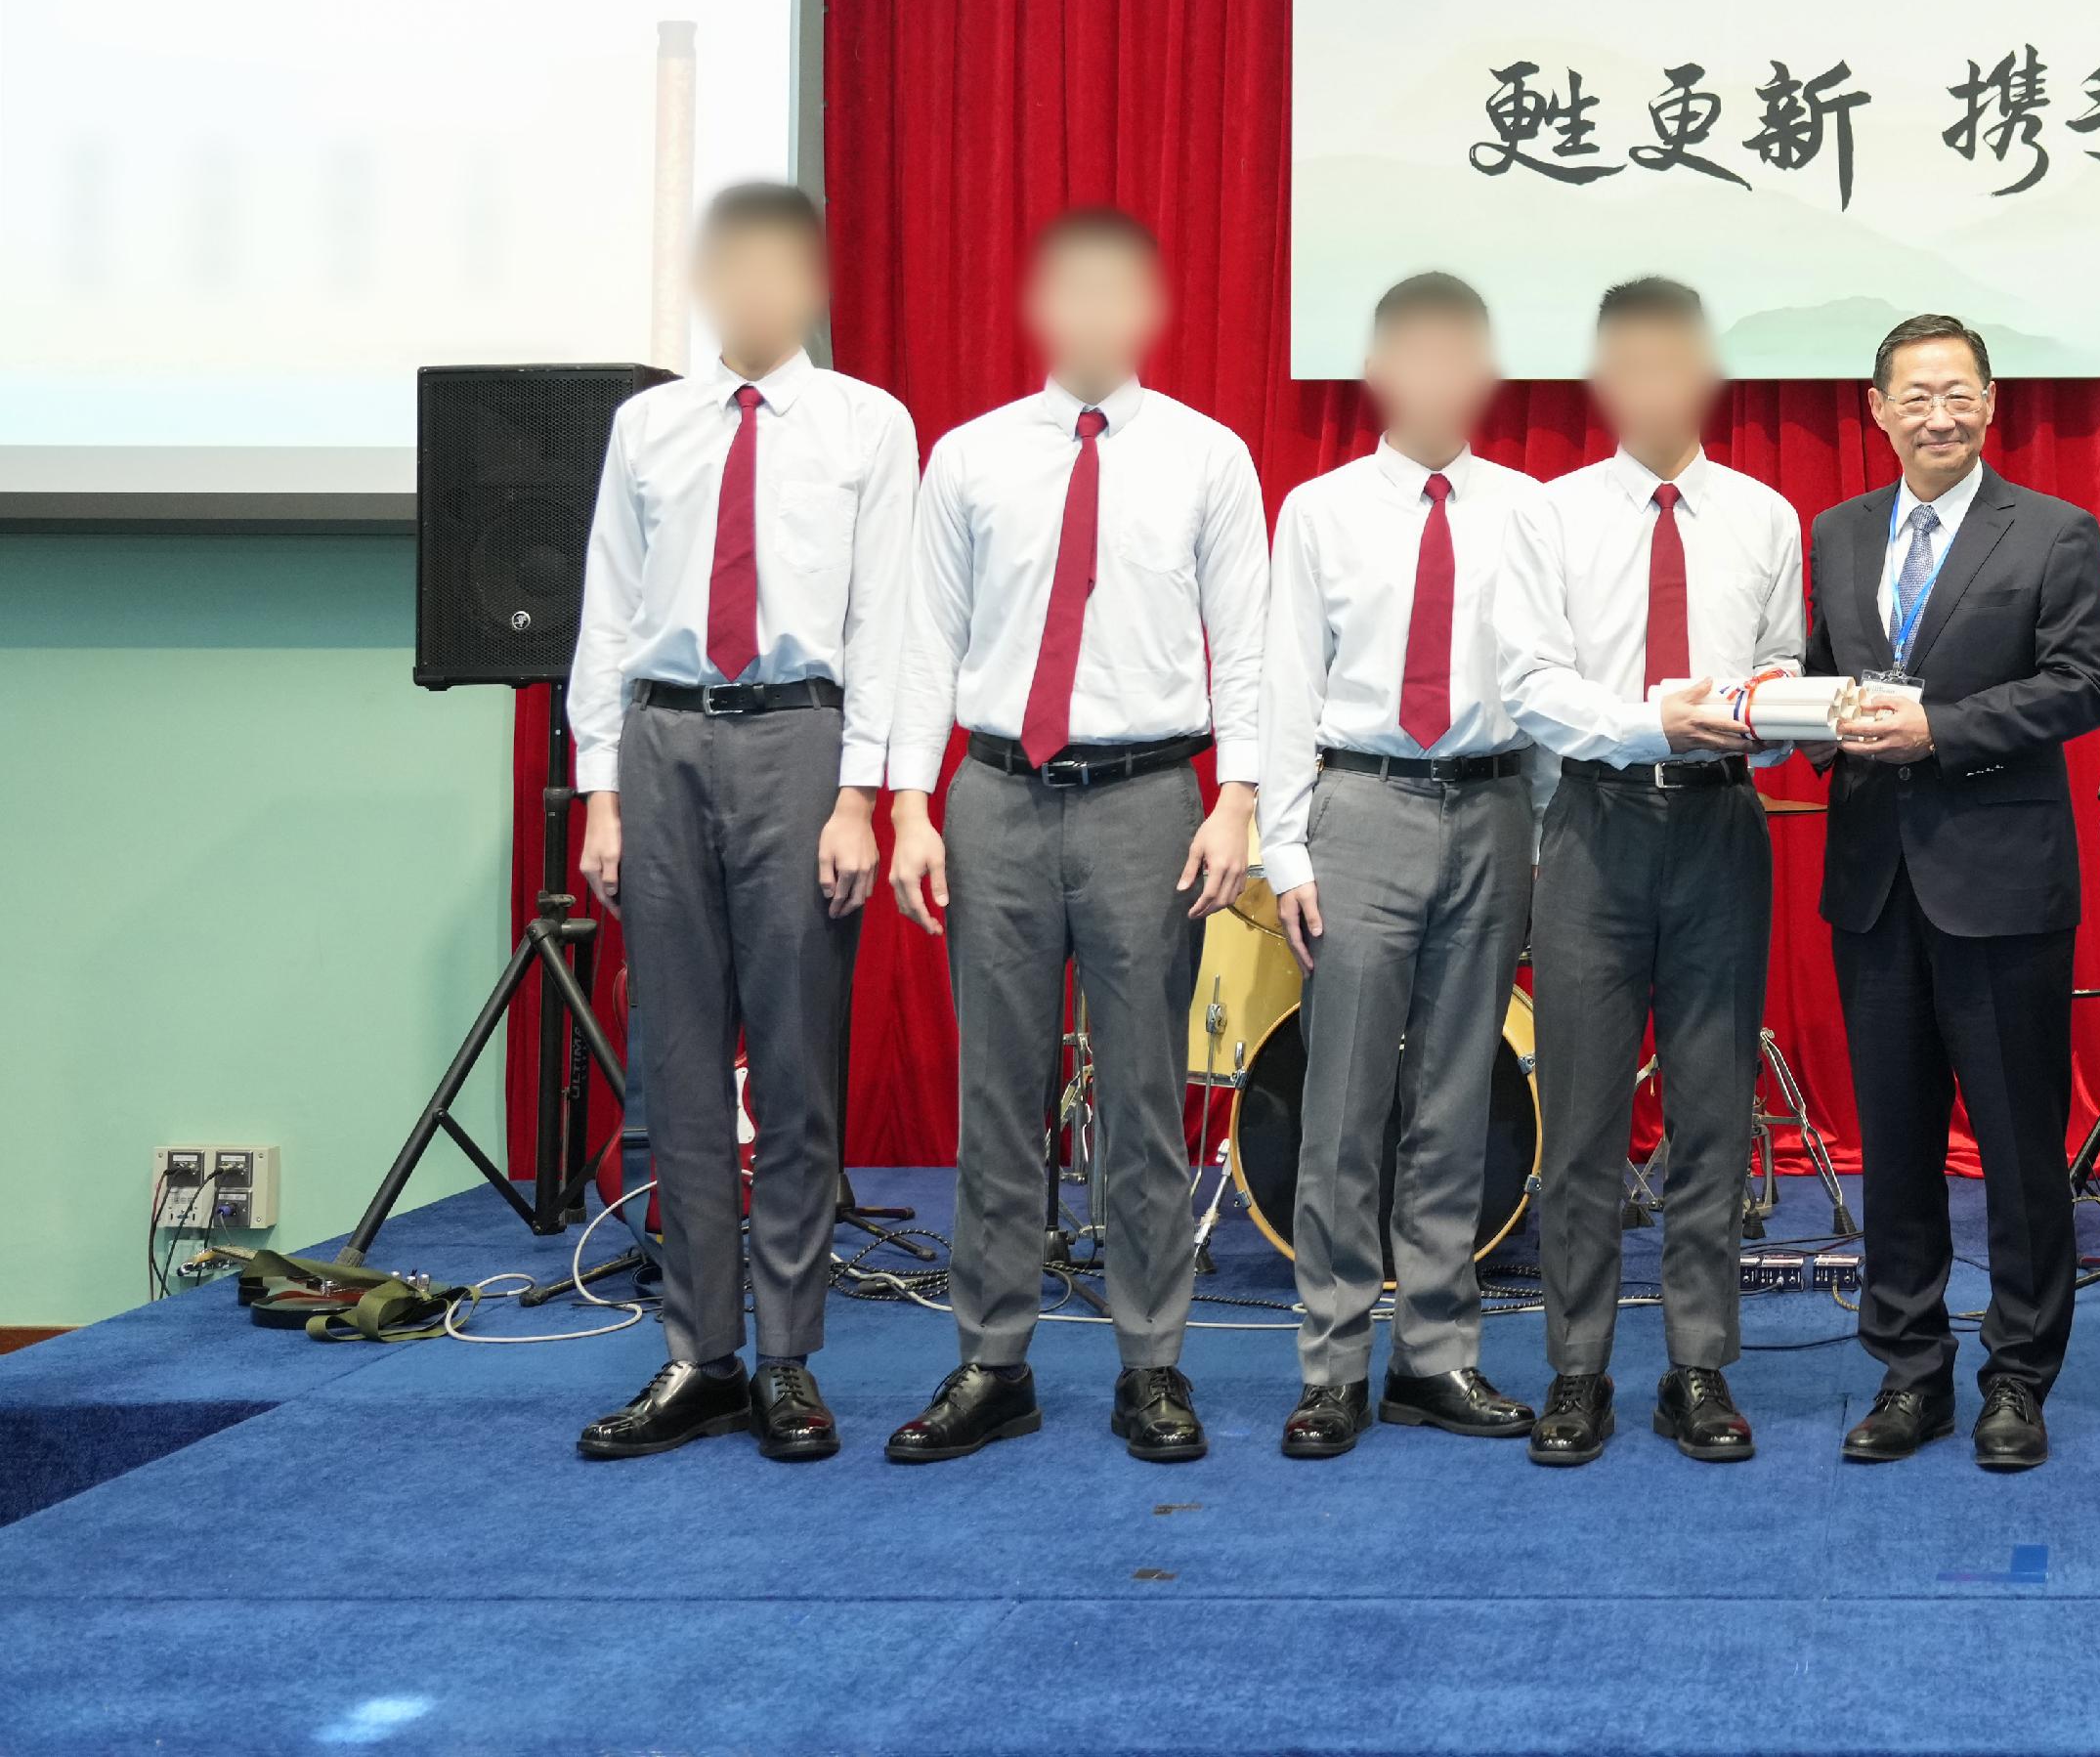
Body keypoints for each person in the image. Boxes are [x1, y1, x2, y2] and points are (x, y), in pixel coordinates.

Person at [881, 207, 1265, 1468]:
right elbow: (924, 640)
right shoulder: (971, 457)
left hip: (1148, 802)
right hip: (990, 795)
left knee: (1147, 1100)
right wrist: (905, 803)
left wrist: (1241, 796)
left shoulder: (1208, 457)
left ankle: (1151, 1363)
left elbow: (1248, 640)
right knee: (999, 1094)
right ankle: (992, 1362)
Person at [570, 183, 918, 1465]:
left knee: (792, 1060)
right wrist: (602, 786)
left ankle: (786, 1356)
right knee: (673, 1065)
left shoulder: (868, 425)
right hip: (662, 737)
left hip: (798, 737)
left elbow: (888, 616)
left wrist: (859, 794)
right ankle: (695, 1353)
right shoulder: (648, 425)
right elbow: (608, 608)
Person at [1494, 278, 1805, 1468]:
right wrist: (1652, 721)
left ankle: (1698, 1367)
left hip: (1723, 829)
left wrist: (1764, 717)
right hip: (1593, 828)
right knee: (1578, 1118)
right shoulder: (1551, 514)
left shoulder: (1765, 515)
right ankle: (1577, 1370)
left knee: (1712, 1112)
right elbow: (1530, 684)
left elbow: (1779, 672)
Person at [1802, 312, 2100, 1472]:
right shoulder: (1835, 533)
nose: (1939, 413)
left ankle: (2019, 1379)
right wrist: (1801, 720)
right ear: (1875, 410)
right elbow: (1824, 676)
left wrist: (1940, 729)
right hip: (1874, 884)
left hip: (2001, 886)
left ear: (1992, 404)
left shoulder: (2052, 531)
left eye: (1960, 393)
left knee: (2021, 1148)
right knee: (1893, 1143)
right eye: (1914, 395)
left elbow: (2084, 686)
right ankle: (1909, 1371)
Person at [1262, 273, 1542, 1458]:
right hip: (1361, 806)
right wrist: (1285, 845)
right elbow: (1285, 684)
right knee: (1342, 1107)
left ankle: (1437, 1356)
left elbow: (1545, 688)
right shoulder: (1320, 509)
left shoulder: (1533, 510)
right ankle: (1331, 1362)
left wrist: (1546, 840)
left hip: (1491, 809)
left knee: (1454, 1101)